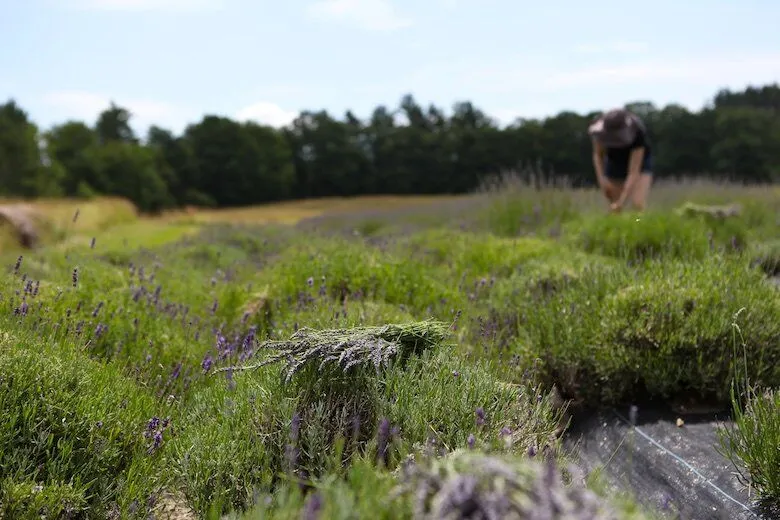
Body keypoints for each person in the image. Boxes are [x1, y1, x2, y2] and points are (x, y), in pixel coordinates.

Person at [588, 108, 654, 213]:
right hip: (614, 160)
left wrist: (622, 202)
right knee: (613, 203)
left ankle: (639, 223)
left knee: (637, 204)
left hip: (638, 162)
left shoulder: (638, 132)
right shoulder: (598, 131)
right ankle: (617, 227)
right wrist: (602, 181)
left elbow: (634, 172)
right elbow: (598, 156)